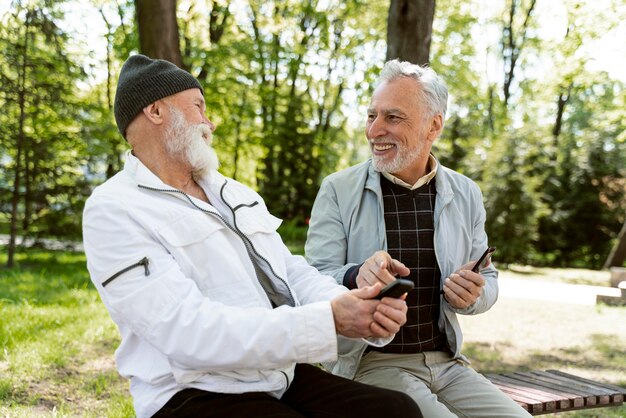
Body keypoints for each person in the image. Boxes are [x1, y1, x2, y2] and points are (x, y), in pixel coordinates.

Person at [82, 54, 422, 418]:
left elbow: (290, 272)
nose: (208, 122)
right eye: (198, 107)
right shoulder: (115, 209)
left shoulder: (232, 193)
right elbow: (186, 331)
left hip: (277, 375)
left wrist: (354, 304)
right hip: (193, 392)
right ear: (155, 110)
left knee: (397, 410)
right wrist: (328, 320)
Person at [305, 59, 531, 418]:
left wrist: (472, 296)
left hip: (449, 364)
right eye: (371, 116)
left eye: (392, 118)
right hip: (373, 363)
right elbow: (312, 277)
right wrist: (354, 275)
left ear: (433, 126)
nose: (374, 130)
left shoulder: (466, 193)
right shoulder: (338, 189)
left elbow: (487, 279)